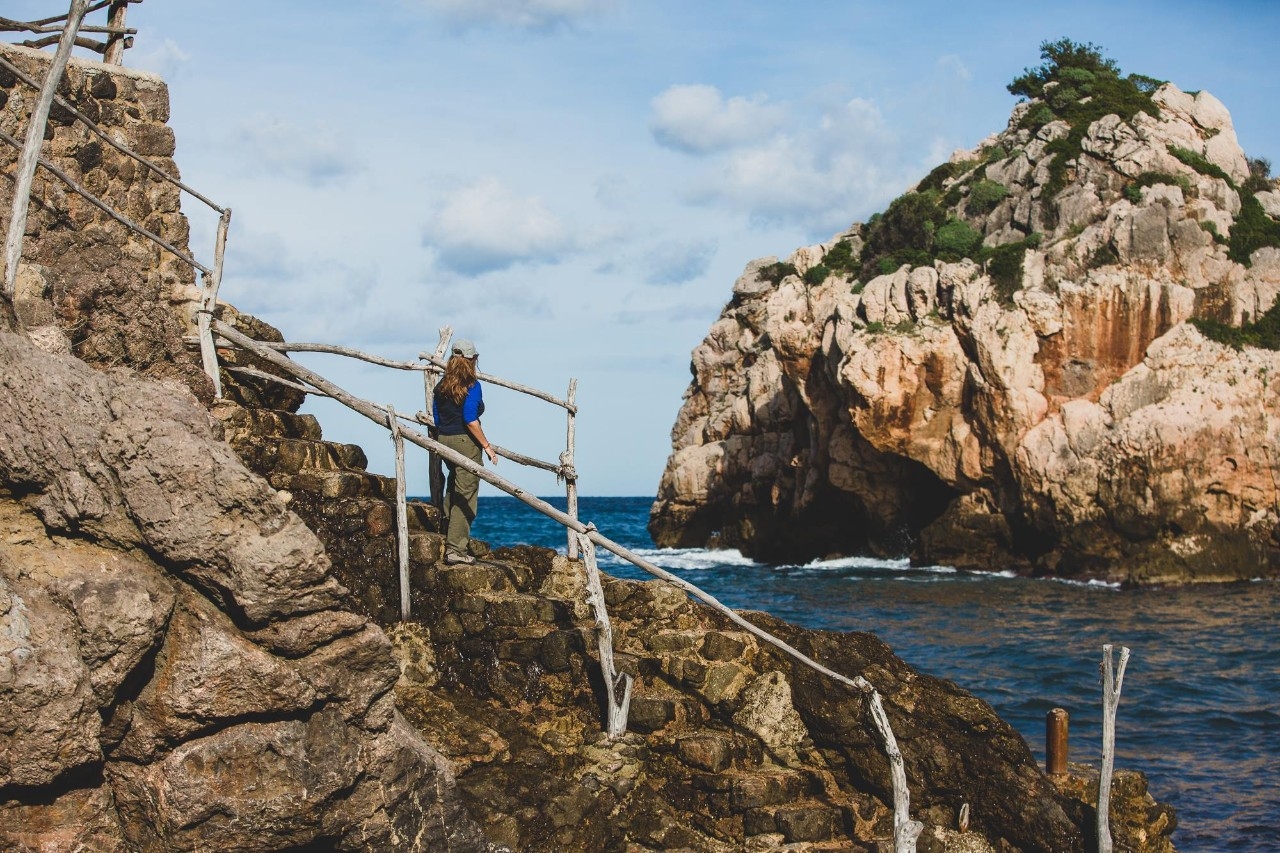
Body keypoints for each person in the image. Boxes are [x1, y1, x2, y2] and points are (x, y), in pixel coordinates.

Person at [432, 339, 498, 565]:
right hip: (464, 441)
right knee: (467, 493)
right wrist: (487, 446)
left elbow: (437, 418)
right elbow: (470, 419)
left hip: (443, 439)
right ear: (472, 360)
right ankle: (455, 549)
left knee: (454, 486)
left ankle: (449, 531)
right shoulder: (472, 385)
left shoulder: (440, 386)